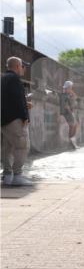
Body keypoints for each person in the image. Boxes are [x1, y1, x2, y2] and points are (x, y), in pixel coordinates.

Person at [1, 57, 32, 186]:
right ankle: (17, 175)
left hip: (3, 120)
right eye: (23, 67)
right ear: (18, 66)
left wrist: (25, 102)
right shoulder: (15, 79)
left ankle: (7, 175)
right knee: (21, 146)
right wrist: (25, 117)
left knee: (7, 148)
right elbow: (17, 100)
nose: (24, 69)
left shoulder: (3, 79)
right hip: (14, 119)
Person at [59, 80, 79, 150]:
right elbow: (66, 106)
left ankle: (72, 142)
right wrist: (70, 112)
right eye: (70, 87)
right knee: (72, 125)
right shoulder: (63, 95)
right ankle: (71, 143)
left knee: (74, 125)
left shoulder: (69, 94)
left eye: (71, 88)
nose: (71, 89)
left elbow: (74, 102)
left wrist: (73, 96)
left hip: (70, 112)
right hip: (66, 113)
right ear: (67, 87)